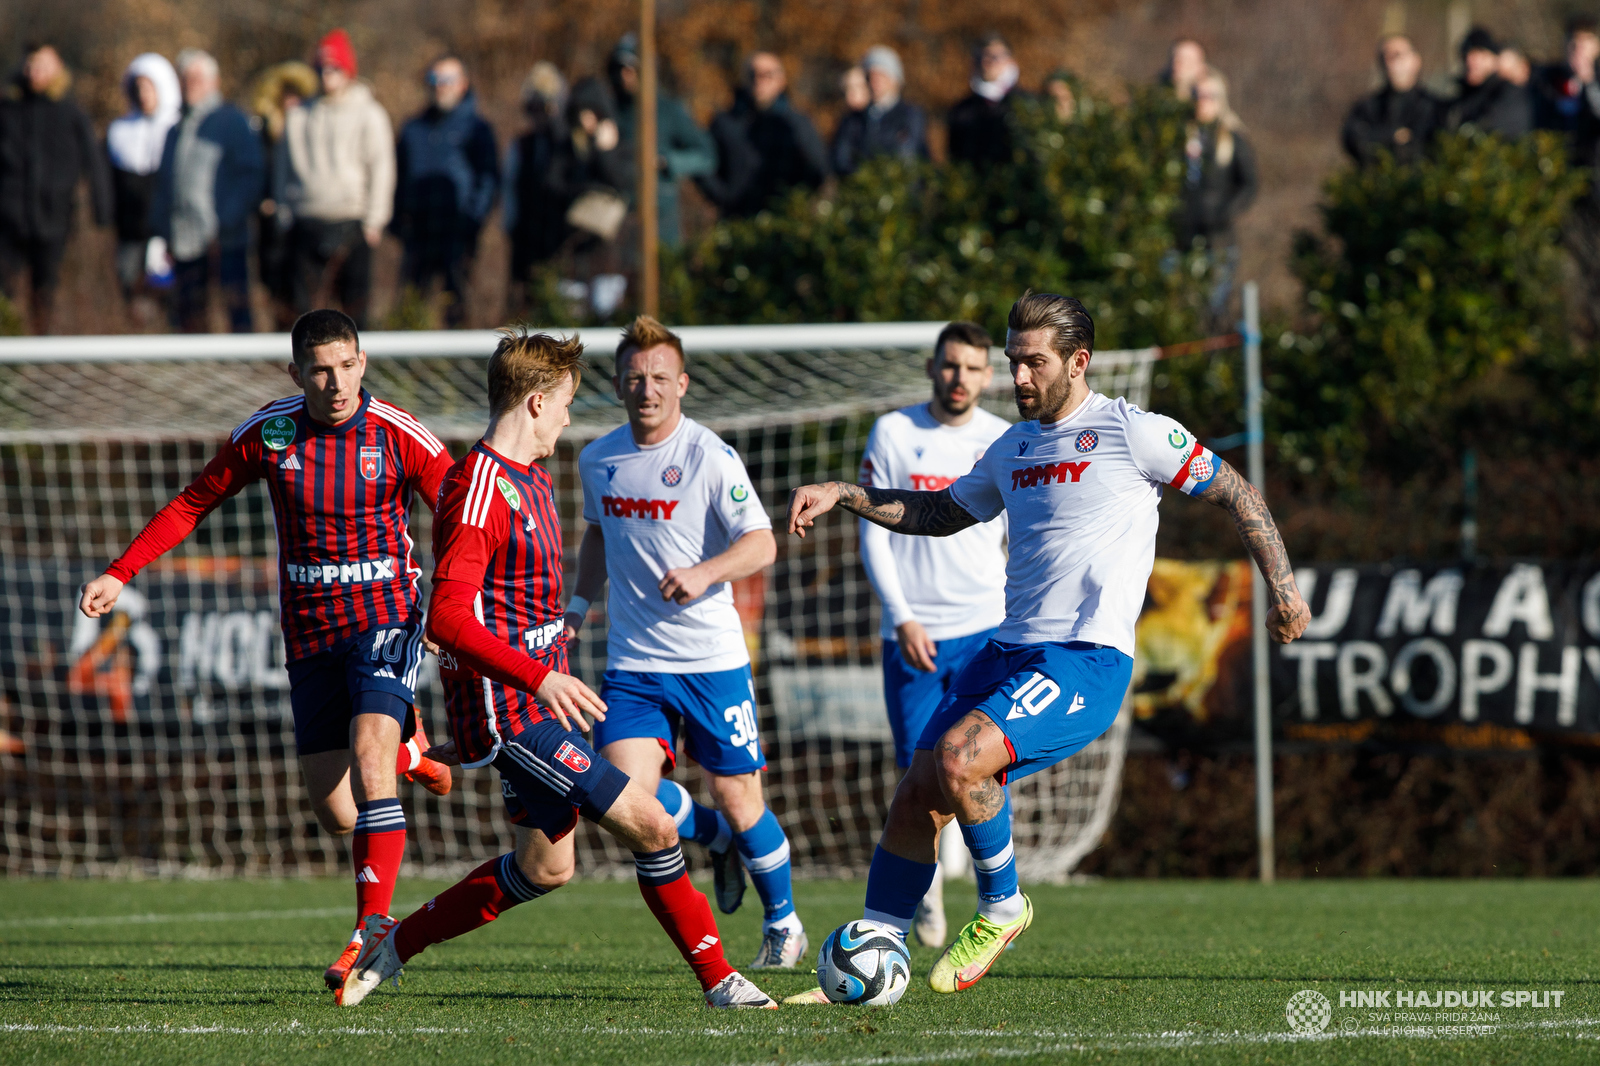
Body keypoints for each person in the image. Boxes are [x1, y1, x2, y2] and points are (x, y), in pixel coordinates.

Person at [782, 292, 1310, 1001]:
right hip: (1006, 652)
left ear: (1078, 362)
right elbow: (940, 512)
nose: (1019, 378)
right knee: (917, 795)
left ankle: (1003, 906)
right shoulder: (1011, 446)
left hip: (1084, 659)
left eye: (1034, 363)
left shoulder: (1136, 433)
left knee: (961, 758)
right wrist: (845, 492)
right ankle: (872, 957)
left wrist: (1283, 587)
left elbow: (1239, 494)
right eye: (1014, 362)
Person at [338, 328, 776, 1011]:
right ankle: (722, 981)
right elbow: (447, 618)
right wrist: (519, 696)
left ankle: (390, 945)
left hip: (528, 710)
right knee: (654, 825)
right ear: (537, 403)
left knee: (546, 867)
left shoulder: (533, 479)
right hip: (520, 715)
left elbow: (516, 612)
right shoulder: (478, 488)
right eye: (568, 402)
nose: (572, 417)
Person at [78, 309, 455, 1000]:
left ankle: (373, 931)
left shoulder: (400, 435)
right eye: (319, 368)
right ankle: (409, 754)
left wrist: (450, 600)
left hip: (387, 619)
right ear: (296, 373)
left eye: (346, 365)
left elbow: (461, 514)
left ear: (362, 363)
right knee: (336, 811)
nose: (335, 382)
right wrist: (119, 572)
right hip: (310, 633)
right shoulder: (271, 431)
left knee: (369, 754)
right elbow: (194, 502)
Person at [564, 315, 805, 969]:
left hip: (711, 663)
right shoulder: (599, 457)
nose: (648, 389)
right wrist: (578, 606)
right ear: (617, 385)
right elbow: (595, 535)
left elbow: (761, 542)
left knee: (740, 796)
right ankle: (715, 838)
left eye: (660, 378)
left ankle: (784, 923)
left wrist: (705, 572)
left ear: (683, 385)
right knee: (621, 799)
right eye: (636, 378)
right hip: (634, 665)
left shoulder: (708, 456)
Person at [857, 321, 1010, 948]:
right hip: (915, 635)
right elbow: (872, 527)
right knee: (918, 772)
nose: (960, 378)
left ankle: (994, 901)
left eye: (973, 368)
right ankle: (929, 898)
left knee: (981, 769)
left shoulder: (1004, 438)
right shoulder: (894, 432)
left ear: (988, 374)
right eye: (950, 365)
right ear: (932, 368)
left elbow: (1016, 536)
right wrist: (902, 615)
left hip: (988, 632)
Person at [274, 29, 396, 329]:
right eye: (321, 67)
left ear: (347, 69)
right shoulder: (297, 116)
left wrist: (374, 221)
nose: (327, 74)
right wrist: (284, 215)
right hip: (306, 222)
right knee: (304, 316)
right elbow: (282, 171)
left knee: (356, 313)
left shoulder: (370, 114)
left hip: (352, 223)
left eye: (334, 67)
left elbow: (381, 168)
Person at [0, 43, 112, 334]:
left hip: (54, 220)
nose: (35, 72)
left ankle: (44, 357)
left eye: (43, 65)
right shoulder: (8, 109)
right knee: (4, 291)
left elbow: (94, 162)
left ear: (58, 69)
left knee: (46, 293)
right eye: (31, 64)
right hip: (9, 220)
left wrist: (103, 211)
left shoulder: (71, 112)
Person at [151, 49, 265, 333]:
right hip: (183, 240)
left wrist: (225, 221)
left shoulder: (232, 121)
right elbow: (165, 184)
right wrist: (163, 231)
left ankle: (243, 370)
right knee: (189, 315)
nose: (191, 84)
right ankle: (195, 374)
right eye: (185, 78)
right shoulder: (175, 129)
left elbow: (251, 174)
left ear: (214, 82)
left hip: (225, 239)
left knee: (235, 311)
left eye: (198, 78)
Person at [393, 55, 499, 328]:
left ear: (463, 84)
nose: (440, 86)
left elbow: (488, 180)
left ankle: (460, 368)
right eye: (434, 80)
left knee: (458, 307)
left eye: (447, 80)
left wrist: (473, 220)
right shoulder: (413, 129)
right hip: (418, 232)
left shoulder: (477, 129)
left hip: (458, 231)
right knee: (410, 305)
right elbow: (398, 176)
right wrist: (397, 221)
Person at [608, 33, 716, 249]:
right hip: (618, 224)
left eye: (631, 69)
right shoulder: (610, 110)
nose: (624, 76)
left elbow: (707, 156)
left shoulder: (667, 110)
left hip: (661, 222)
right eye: (618, 69)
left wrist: (667, 162)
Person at [699, 52, 828, 218]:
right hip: (737, 220)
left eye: (768, 75)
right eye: (753, 75)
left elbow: (818, 168)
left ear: (782, 80)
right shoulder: (725, 124)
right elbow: (702, 162)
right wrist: (724, 196)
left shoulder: (796, 125)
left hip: (784, 220)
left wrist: (796, 202)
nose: (759, 81)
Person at [1178, 70, 1257, 326]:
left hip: (1219, 239)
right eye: (1197, 95)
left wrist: (1224, 213)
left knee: (1213, 310)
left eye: (1209, 96)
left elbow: (1249, 184)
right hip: (1179, 239)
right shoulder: (1179, 136)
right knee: (1180, 309)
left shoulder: (1233, 139)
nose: (1202, 101)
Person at [105, 52, 180, 321]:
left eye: (149, 87)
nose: (143, 94)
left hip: (165, 232)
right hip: (131, 230)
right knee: (131, 290)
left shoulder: (176, 129)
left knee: (166, 294)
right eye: (138, 88)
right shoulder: (119, 131)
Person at [249, 61, 320, 330]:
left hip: (302, 218)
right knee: (275, 286)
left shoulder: (309, 127)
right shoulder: (264, 131)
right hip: (272, 224)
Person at [504, 62, 570, 309]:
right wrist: (512, 227)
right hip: (526, 241)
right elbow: (510, 190)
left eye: (544, 106)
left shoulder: (568, 145)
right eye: (533, 107)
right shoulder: (522, 146)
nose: (539, 114)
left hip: (561, 243)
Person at [1341, 35, 1440, 167]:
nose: (1390, 62)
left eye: (1397, 55)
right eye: (1384, 57)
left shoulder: (1435, 107)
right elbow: (1354, 141)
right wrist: (1394, 136)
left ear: (1416, 60)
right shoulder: (1366, 107)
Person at [830, 46, 928, 176]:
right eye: (871, 76)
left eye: (881, 75)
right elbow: (841, 159)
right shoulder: (853, 119)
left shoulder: (911, 115)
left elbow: (909, 158)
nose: (876, 81)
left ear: (894, 79)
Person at [947, 34, 1030, 168]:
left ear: (1010, 61)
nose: (989, 62)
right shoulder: (962, 112)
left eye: (996, 56)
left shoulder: (1028, 105)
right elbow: (957, 162)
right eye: (982, 57)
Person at [1443, 27, 1532, 138]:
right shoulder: (1461, 95)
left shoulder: (1508, 94)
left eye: (1479, 55)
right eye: (1466, 55)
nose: (1470, 61)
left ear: (1495, 59)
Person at [1533, 17, 1600, 163]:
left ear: (1596, 47)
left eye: (1585, 43)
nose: (1578, 49)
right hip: (1558, 166)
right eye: (1573, 42)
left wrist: (1588, 82)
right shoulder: (1547, 79)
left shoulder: (1596, 82)